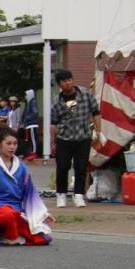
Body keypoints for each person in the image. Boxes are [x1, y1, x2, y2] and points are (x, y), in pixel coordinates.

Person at [0, 127, 53, 247]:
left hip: (16, 209)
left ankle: (11, 235)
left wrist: (43, 214)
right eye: (8, 143)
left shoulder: (22, 167)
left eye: (15, 143)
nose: (12, 147)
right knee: (7, 215)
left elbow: (31, 194)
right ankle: (10, 235)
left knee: (44, 238)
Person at [50, 69, 101, 209]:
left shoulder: (85, 94)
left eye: (69, 80)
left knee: (81, 167)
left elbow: (96, 112)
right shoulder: (57, 101)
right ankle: (61, 194)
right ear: (59, 84)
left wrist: (99, 131)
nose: (68, 83)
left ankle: (78, 195)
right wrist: (53, 142)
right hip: (63, 138)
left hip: (83, 136)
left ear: (73, 80)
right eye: (64, 82)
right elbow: (53, 123)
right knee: (62, 167)